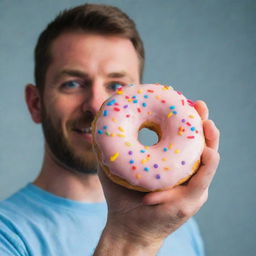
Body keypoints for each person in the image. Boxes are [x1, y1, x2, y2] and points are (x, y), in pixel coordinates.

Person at [0, 3, 220, 256]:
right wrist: (132, 238)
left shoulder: (177, 223)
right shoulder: (8, 235)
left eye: (117, 85)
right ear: (35, 103)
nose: (95, 105)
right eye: (72, 83)